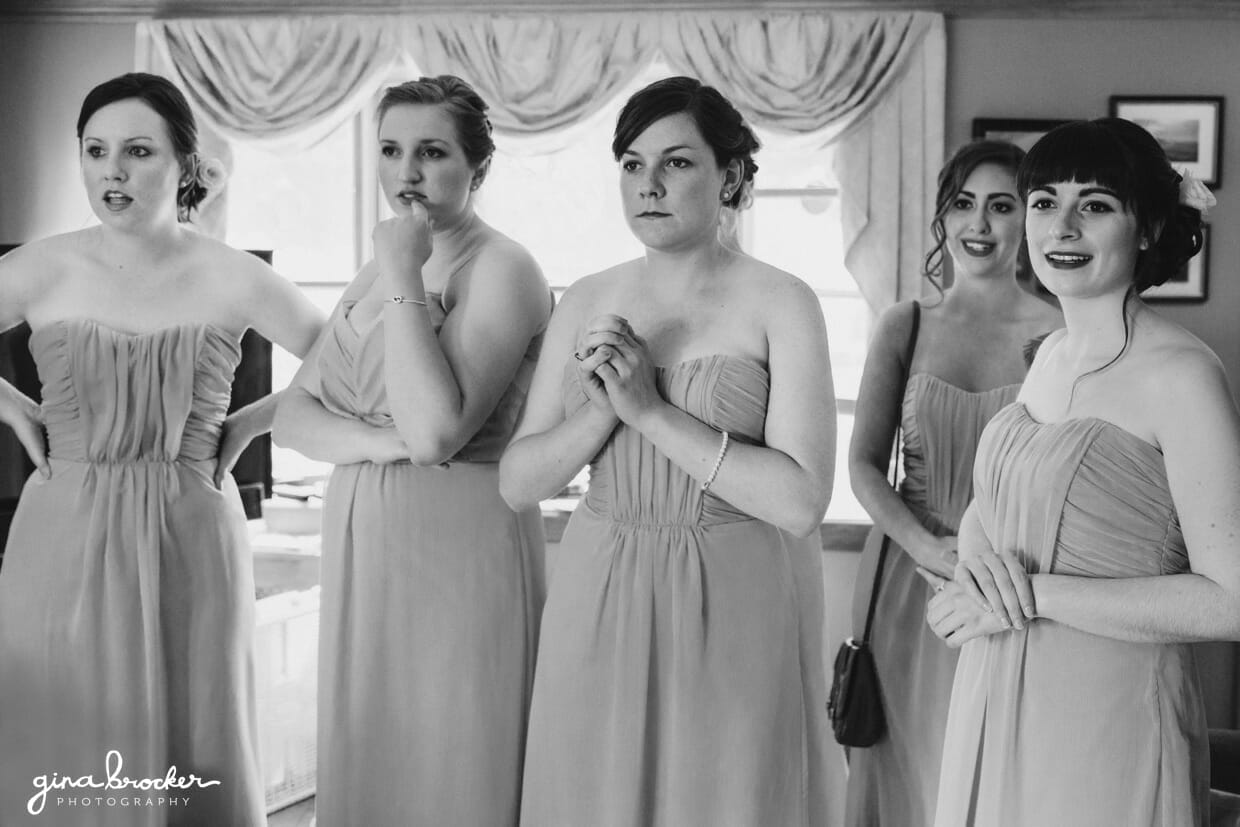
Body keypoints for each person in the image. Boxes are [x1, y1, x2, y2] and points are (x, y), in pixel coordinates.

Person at [500, 76, 836, 826]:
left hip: (734, 592)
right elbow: (518, 483)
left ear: (731, 176)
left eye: (677, 162)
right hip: (600, 583)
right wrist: (597, 418)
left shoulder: (783, 301)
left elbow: (802, 499)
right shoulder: (587, 297)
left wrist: (650, 413)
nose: (648, 184)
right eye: (630, 163)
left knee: (723, 796)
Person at [0, 72, 323, 826]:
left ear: (185, 165)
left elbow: (348, 361)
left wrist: (251, 422)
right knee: (63, 738)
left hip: (191, 536)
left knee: (194, 728)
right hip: (60, 534)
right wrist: (11, 406)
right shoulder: (40, 268)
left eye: (138, 151)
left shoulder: (236, 274)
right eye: (96, 151)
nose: (112, 170)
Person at [925, 118, 1240, 826]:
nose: (1061, 226)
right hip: (993, 688)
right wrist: (967, 579)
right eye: (1043, 202)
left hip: (1108, 717)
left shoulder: (1183, 376)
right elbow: (992, 507)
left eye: (1095, 205)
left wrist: (1031, 594)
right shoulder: (1049, 355)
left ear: (1148, 226)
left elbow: (1230, 598)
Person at [271, 75, 551, 826]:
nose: (407, 172)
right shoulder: (377, 264)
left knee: (454, 755)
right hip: (366, 540)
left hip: (460, 543)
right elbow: (293, 419)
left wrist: (403, 275)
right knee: (374, 745)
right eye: (392, 150)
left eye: (432, 152)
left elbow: (435, 434)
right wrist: (375, 442)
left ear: (478, 169)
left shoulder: (502, 268)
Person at [844, 141, 1061, 827]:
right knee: (908, 772)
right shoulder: (904, 324)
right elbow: (863, 465)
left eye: (1002, 205)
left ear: (1030, 218)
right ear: (942, 214)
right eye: (963, 203)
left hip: (1011, 585)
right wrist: (926, 549)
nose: (980, 223)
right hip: (906, 583)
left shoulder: (1059, 333)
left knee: (996, 776)